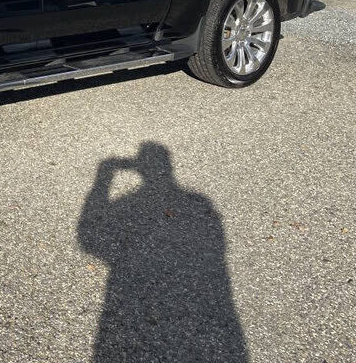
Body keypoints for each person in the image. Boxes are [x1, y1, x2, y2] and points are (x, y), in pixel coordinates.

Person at [78, 142, 248, 362]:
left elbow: (88, 239)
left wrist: (104, 176)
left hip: (129, 300)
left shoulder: (191, 202)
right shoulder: (198, 201)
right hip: (215, 309)